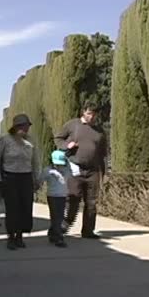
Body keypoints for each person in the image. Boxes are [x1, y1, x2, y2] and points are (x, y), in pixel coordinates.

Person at [54, 101, 107, 239]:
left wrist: (104, 172)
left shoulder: (100, 131)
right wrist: (67, 145)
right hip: (75, 168)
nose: (92, 117)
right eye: (89, 113)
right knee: (73, 199)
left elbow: (102, 153)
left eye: (94, 114)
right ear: (83, 112)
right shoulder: (73, 125)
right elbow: (58, 138)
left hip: (93, 170)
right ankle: (64, 225)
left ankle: (88, 231)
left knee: (92, 202)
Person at [0, 114, 40, 250]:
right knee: (12, 208)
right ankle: (11, 236)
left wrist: (37, 178)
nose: (27, 129)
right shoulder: (5, 140)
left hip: (26, 177)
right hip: (10, 177)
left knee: (25, 207)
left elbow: (35, 161)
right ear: (17, 126)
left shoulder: (31, 141)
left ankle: (20, 236)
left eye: (28, 126)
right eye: (24, 126)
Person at [40, 150, 70, 247]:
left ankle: (52, 232)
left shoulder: (67, 170)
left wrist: (67, 159)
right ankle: (58, 237)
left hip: (62, 196)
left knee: (59, 216)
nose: (59, 167)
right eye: (57, 164)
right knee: (55, 216)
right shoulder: (48, 170)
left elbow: (74, 169)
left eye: (61, 164)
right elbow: (40, 179)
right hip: (52, 196)